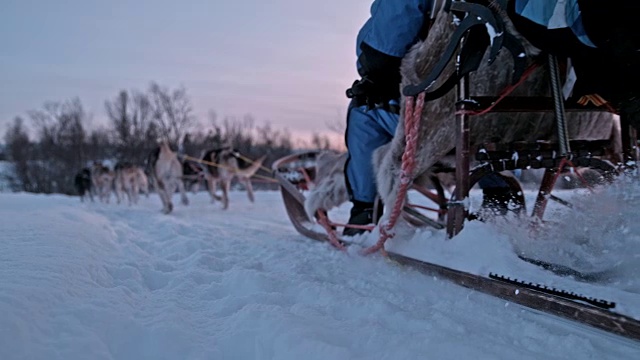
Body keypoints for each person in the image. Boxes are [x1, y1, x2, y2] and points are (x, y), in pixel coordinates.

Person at [342, 0, 639, 236]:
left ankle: (364, 211)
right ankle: (498, 193)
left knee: (363, 112)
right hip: (556, 113)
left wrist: (372, 76)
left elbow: (383, 44)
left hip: (457, 115)